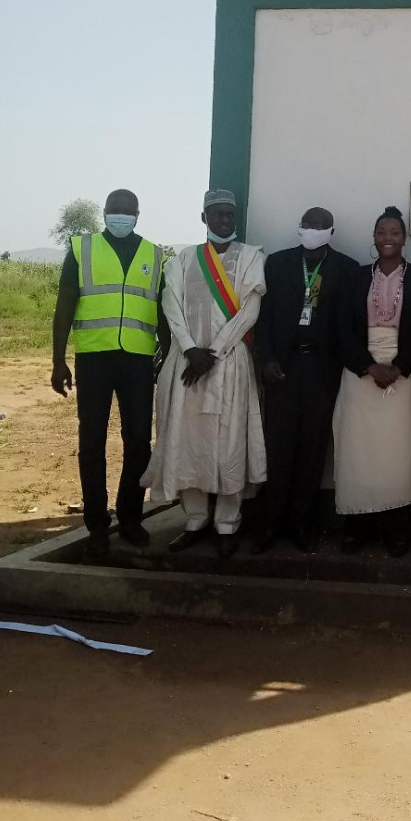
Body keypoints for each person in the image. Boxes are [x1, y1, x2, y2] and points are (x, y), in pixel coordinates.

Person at [141, 190, 266, 558]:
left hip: (229, 364)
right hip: (187, 365)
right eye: (217, 215)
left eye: (230, 215)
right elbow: (171, 306)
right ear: (204, 218)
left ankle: (228, 523)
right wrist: (191, 349)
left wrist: (213, 353)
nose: (225, 221)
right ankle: (195, 519)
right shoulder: (182, 260)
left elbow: (250, 309)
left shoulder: (251, 257)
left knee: (229, 443)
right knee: (186, 441)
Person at [51, 189, 167, 558]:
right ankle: (97, 524)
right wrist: (58, 359)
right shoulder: (82, 249)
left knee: (137, 442)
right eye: (113, 210)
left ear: (137, 214)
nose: (120, 215)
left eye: (126, 210)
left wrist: (169, 357)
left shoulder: (154, 254)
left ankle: (130, 518)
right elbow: (65, 304)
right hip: (94, 359)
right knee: (92, 443)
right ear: (104, 213)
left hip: (137, 361)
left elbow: (162, 311)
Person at [253, 206, 358, 554]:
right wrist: (266, 360)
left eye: (320, 224)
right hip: (282, 367)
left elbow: (348, 326)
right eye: (308, 223)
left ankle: (302, 524)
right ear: (299, 228)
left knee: (312, 450)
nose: (313, 229)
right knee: (278, 446)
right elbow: (263, 318)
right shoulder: (279, 263)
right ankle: (270, 523)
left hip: (321, 369)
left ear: (331, 230)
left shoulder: (345, 269)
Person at [334, 207, 411, 557]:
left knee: (398, 453)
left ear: (404, 238)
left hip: (405, 374)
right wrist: (368, 366)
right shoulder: (355, 277)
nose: (388, 238)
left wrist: (400, 367)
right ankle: (357, 526)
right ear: (374, 238)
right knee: (359, 452)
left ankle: (397, 528)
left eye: (394, 232)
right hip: (361, 373)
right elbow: (342, 327)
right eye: (381, 232)